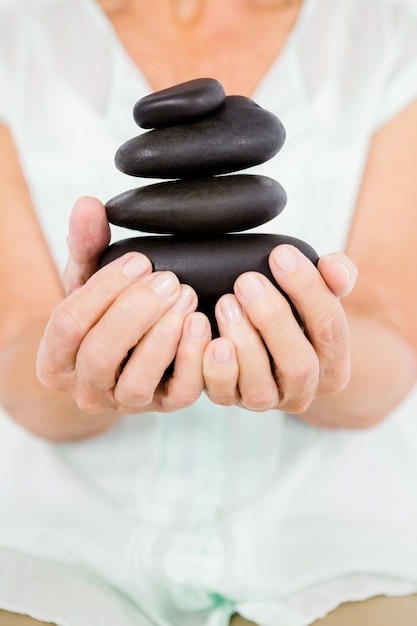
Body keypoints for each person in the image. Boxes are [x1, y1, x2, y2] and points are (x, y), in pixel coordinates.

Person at [0, 0, 417, 624]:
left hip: (331, 529)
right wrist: (81, 364)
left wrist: (319, 350)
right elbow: (16, 351)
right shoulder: (17, 32)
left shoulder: (389, 27)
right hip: (65, 536)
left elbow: (394, 346)